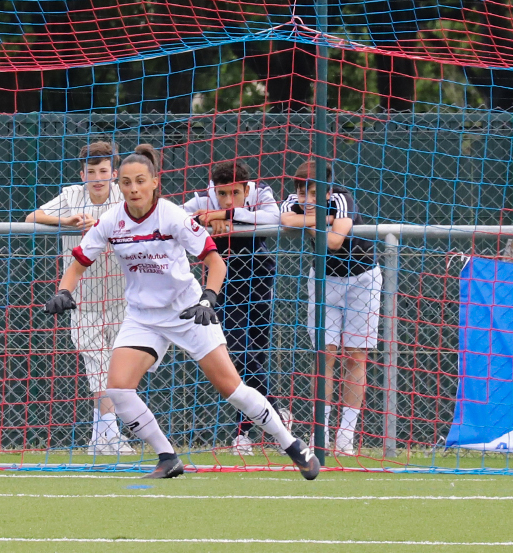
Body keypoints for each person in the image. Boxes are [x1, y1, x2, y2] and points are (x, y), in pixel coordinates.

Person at [45, 145, 321, 480]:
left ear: (154, 182)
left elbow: (215, 262)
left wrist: (208, 298)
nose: (133, 188)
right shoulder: (110, 221)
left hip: (188, 310)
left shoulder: (171, 215)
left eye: (141, 181)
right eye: (128, 182)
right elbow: (78, 263)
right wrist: (63, 291)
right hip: (143, 316)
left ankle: (292, 445)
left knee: (232, 388)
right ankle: (167, 457)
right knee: (118, 388)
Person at [26, 140, 130, 455]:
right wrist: (67, 221)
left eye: (103, 171)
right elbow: (32, 217)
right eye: (91, 172)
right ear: (82, 174)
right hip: (82, 298)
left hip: (123, 298)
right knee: (96, 365)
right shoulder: (72, 196)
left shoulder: (125, 195)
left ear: (113, 173)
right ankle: (109, 433)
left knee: (119, 368)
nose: (97, 178)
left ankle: (105, 432)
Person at [180, 161, 286, 455]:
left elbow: (273, 216)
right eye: (222, 195)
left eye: (235, 194)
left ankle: (244, 433)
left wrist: (225, 216)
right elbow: (180, 216)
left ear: (246, 189)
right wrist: (206, 217)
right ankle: (275, 415)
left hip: (260, 276)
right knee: (240, 353)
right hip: (224, 281)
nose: (228, 200)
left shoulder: (261, 192)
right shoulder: (203, 199)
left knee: (257, 355)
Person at [281, 160, 383, 457]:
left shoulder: (342, 198)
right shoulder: (293, 201)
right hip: (325, 281)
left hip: (363, 279)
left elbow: (337, 241)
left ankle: (346, 436)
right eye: (302, 192)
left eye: (314, 192)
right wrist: (321, 221)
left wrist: (315, 222)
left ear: (327, 190)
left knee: (355, 356)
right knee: (325, 354)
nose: (307, 199)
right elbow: (286, 220)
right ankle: (320, 433)